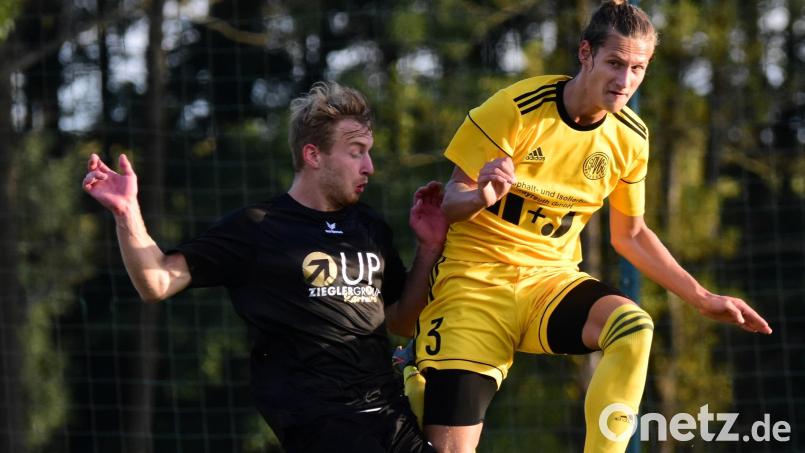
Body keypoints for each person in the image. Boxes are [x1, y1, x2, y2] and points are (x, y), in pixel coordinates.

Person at [413, 1, 773, 452]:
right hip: (474, 286)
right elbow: (448, 204)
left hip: (549, 284)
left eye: (637, 68)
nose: (624, 81)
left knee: (633, 326)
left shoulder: (630, 137)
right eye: (615, 63)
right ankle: (419, 379)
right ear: (585, 54)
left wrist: (702, 298)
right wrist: (483, 195)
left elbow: (632, 234)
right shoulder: (515, 109)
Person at [83, 81, 446, 453]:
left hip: (390, 414)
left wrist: (429, 247)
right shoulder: (258, 227)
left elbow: (401, 320)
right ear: (313, 155)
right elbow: (157, 280)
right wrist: (127, 212)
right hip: (322, 423)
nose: (369, 166)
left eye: (368, 152)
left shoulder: (369, 226)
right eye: (356, 152)